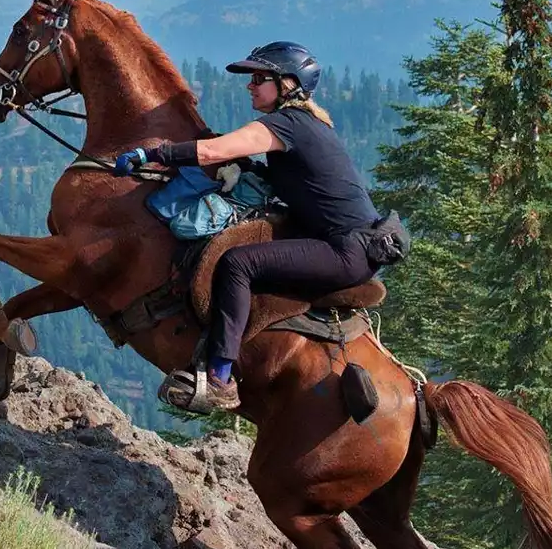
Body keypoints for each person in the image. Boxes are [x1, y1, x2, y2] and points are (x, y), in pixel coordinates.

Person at [114, 41, 381, 412]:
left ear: (287, 84)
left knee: (239, 264)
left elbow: (211, 152)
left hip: (343, 250)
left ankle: (220, 379)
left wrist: (152, 154)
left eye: (259, 77)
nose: (250, 85)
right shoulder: (306, 123)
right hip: (348, 243)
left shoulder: (287, 124)